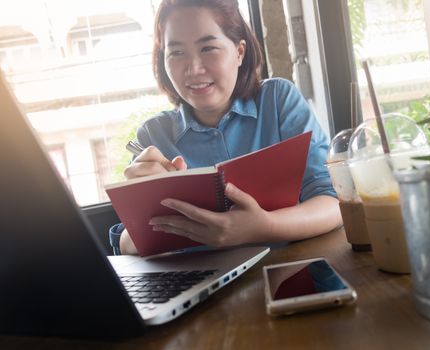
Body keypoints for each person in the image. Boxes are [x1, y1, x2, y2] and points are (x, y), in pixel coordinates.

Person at [109, 0, 342, 255]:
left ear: (239, 52)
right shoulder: (153, 136)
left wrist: (265, 226)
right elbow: (129, 244)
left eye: (208, 48)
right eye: (176, 52)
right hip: (201, 288)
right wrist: (141, 209)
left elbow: (333, 202)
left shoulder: (277, 101)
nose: (193, 69)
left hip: (286, 274)